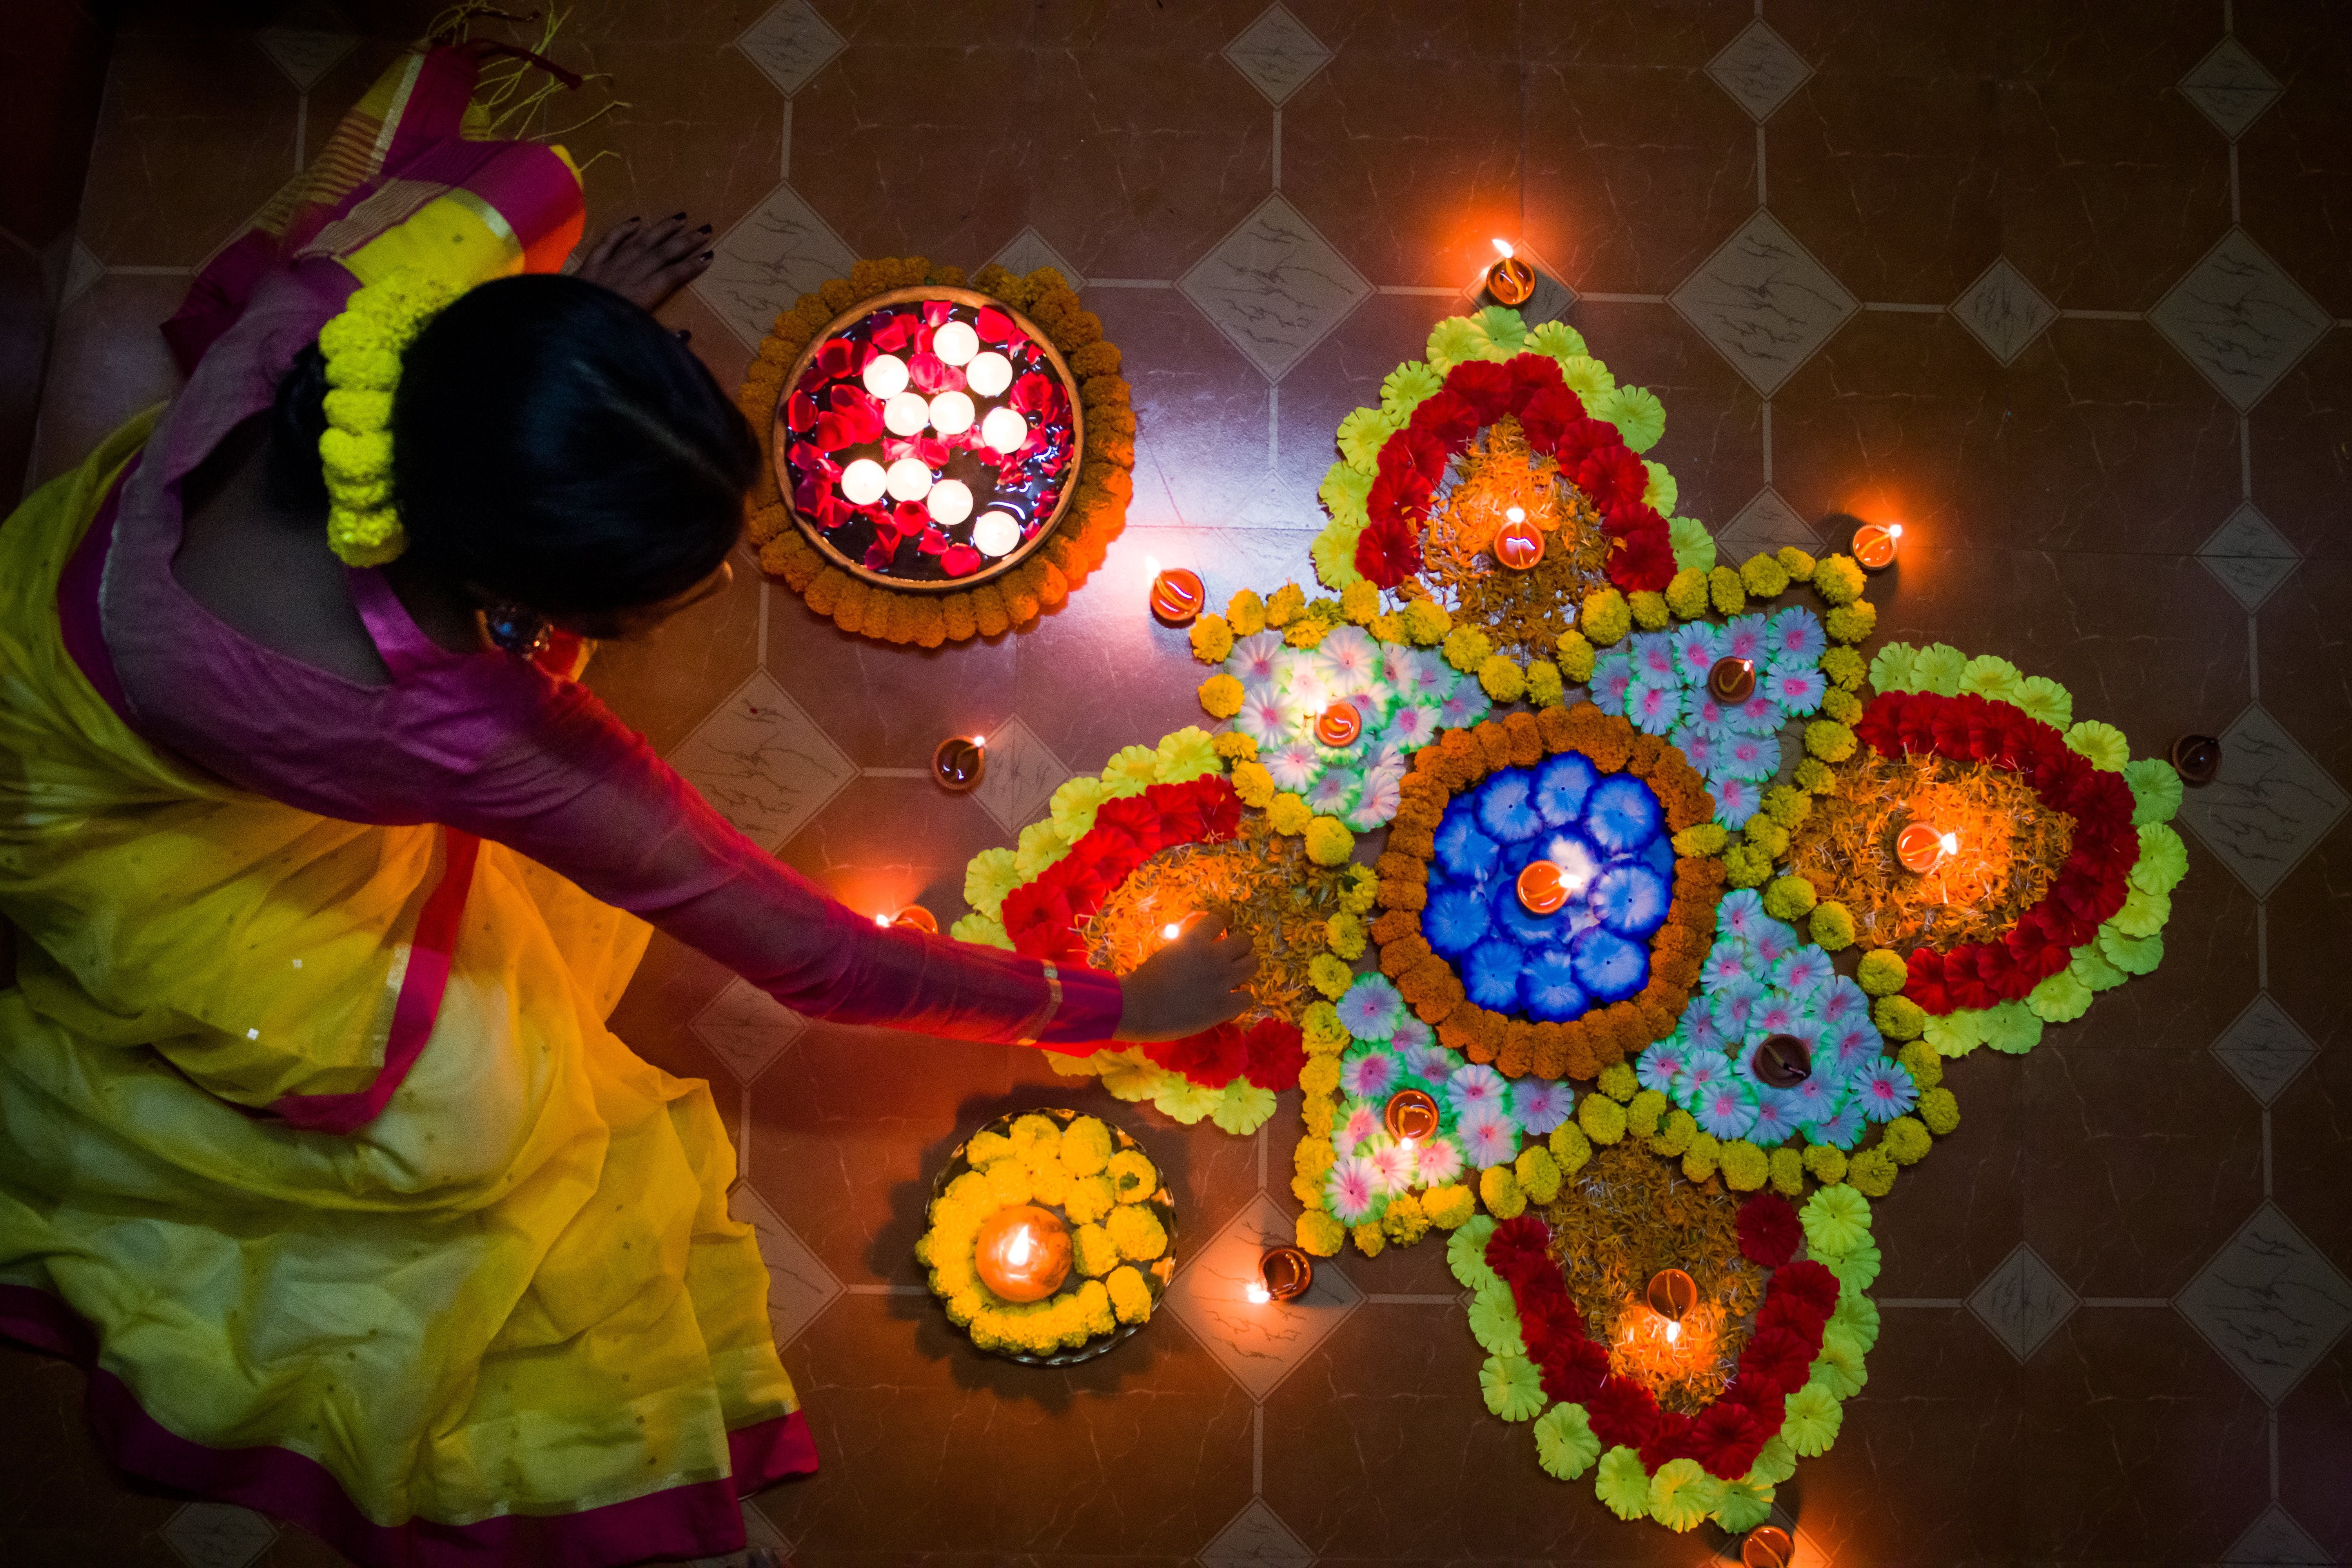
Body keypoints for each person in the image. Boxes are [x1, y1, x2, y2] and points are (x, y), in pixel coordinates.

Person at [0, 39, 1252, 1568]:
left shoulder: (337, 313)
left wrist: (571, 353)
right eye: (654, 594)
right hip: (92, 803)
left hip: (75, 574)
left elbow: (478, 195)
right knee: (468, 1128)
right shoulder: (457, 723)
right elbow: (800, 943)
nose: (717, 584)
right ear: (499, 593)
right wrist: (1104, 1003)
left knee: (539, 188)